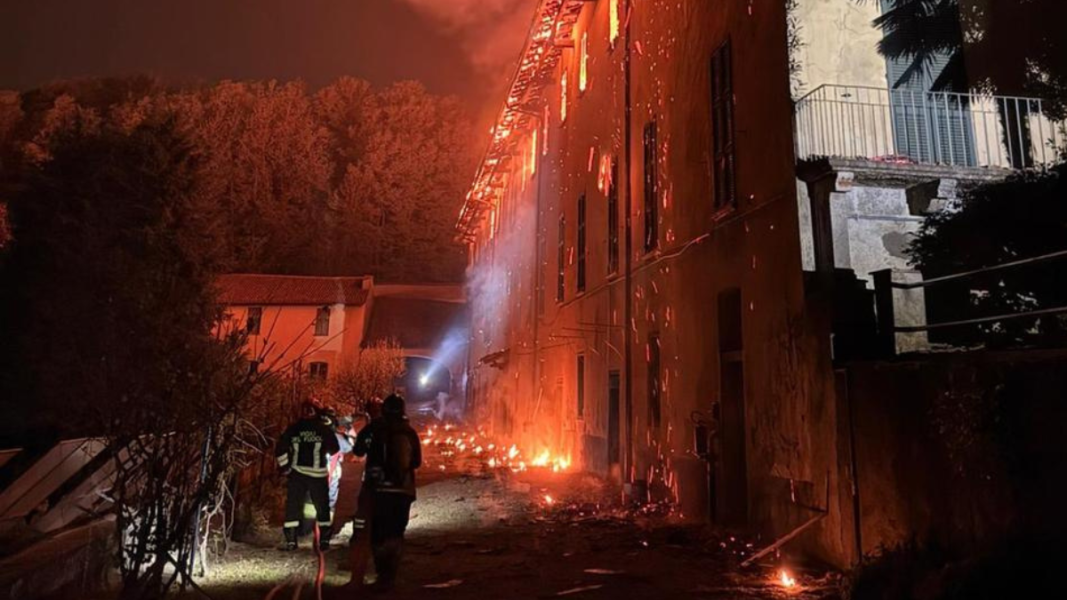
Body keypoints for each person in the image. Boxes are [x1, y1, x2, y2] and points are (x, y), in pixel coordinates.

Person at [353, 394, 421, 591]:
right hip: (403, 491)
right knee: (396, 532)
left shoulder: (374, 428)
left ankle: (381, 575)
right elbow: (416, 462)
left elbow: (358, 450)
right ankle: (390, 576)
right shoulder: (409, 432)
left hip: (378, 491)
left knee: (378, 533)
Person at [275, 399, 340, 551]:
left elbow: (280, 449)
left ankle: (291, 541)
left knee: (293, 506)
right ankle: (324, 541)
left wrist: (285, 467)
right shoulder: (323, 429)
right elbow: (334, 449)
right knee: (322, 508)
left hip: (297, 474)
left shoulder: (294, 428)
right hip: (318, 475)